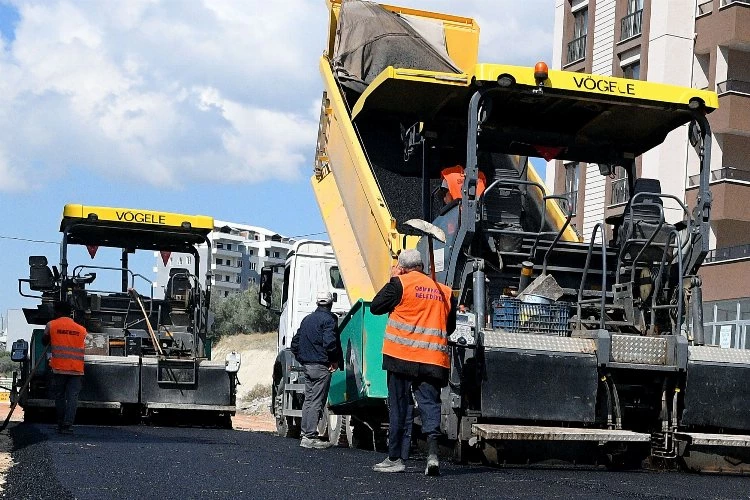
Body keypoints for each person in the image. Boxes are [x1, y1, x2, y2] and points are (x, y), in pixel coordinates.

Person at [370, 249, 456, 476]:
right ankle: (433, 455)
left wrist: (393, 278)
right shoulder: (444, 292)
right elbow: (451, 327)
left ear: (402, 267)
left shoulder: (399, 284)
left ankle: (395, 458)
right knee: (430, 406)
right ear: (422, 267)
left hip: (401, 357)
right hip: (432, 360)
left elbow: (376, 307)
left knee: (399, 406)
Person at [290, 291, 342, 449]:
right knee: (316, 401)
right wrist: (334, 360)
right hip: (321, 366)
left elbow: (294, 344)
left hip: (308, 366)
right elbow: (329, 343)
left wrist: (303, 359)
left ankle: (305, 434)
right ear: (331, 302)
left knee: (309, 399)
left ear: (317, 302)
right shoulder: (329, 320)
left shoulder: (307, 319)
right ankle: (310, 436)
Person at [42, 301, 87, 434]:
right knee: (73, 397)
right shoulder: (81, 329)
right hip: (76, 369)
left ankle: (61, 423)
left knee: (60, 396)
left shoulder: (52, 325)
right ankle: (68, 425)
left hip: (59, 368)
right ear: (70, 313)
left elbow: (44, 341)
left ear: (57, 312)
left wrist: (51, 336)